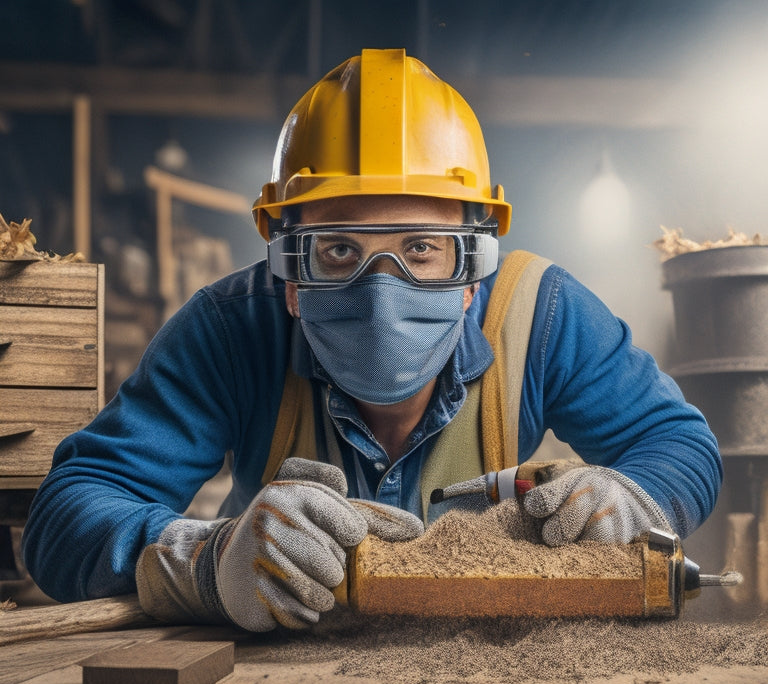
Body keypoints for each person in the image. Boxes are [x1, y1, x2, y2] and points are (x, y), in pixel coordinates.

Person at [22, 49, 721, 632]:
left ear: (473, 271)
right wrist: (209, 559)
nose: (381, 292)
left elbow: (681, 445)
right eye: (336, 252)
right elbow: (66, 515)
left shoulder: (541, 314)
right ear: (288, 276)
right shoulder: (232, 329)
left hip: (487, 675)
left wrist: (636, 497)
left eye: (421, 248)